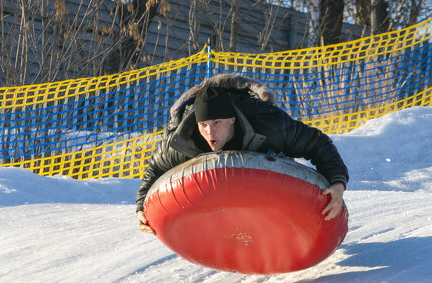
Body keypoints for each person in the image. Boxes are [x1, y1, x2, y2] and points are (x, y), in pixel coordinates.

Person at [136, 74, 349, 234]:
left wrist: (337, 184)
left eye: (217, 123)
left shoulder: (268, 123)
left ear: (231, 120)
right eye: (204, 125)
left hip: (271, 183)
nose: (210, 132)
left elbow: (318, 143)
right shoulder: (181, 140)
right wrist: (141, 209)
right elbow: (155, 169)